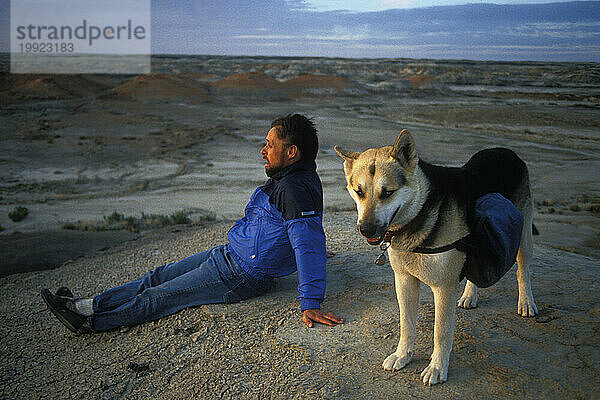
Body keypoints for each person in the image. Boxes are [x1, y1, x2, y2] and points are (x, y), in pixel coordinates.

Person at [41, 114, 344, 333]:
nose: (262, 151)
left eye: (269, 145)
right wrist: (304, 252)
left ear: (292, 153)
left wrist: (310, 302)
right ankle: (86, 305)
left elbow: (306, 240)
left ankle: (90, 322)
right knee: (155, 277)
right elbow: (297, 232)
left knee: (158, 297)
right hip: (228, 256)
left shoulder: (294, 188)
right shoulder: (291, 179)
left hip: (241, 274)